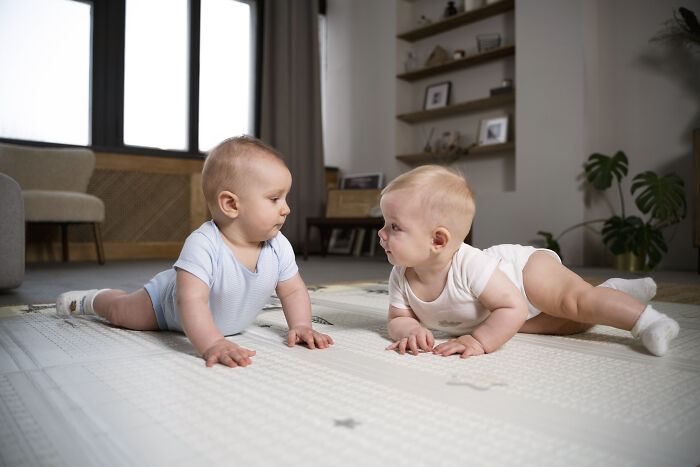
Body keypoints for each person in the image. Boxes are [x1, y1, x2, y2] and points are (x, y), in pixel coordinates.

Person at [56, 136, 333, 368]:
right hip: (164, 306)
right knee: (121, 313)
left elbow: (293, 290)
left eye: (285, 198)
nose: (286, 208)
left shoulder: (278, 246)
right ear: (231, 205)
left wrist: (301, 324)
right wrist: (212, 342)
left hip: (224, 317)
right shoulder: (203, 244)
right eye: (274, 199)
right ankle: (92, 300)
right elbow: (191, 303)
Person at [378, 165, 679, 358]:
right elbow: (398, 319)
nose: (381, 233)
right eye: (384, 223)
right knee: (572, 323)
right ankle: (615, 291)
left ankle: (649, 322)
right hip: (499, 311)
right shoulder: (401, 275)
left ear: (438, 241)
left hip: (522, 276)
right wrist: (410, 331)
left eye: (394, 226)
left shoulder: (470, 265)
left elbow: (513, 306)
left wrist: (479, 341)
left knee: (576, 302)